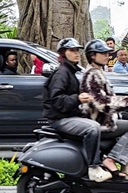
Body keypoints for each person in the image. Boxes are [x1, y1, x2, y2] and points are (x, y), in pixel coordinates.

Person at [42, 38, 108, 183]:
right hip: (60, 119)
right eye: (72, 50)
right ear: (63, 53)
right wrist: (77, 98)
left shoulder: (70, 72)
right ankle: (94, 168)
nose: (76, 53)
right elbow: (57, 101)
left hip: (68, 116)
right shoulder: (62, 73)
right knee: (93, 128)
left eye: (77, 50)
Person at [80, 39, 128, 180]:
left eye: (107, 53)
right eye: (102, 53)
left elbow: (109, 96)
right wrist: (126, 102)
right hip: (99, 122)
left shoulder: (98, 72)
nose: (107, 56)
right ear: (92, 56)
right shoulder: (91, 74)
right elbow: (101, 102)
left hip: (104, 119)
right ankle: (111, 159)